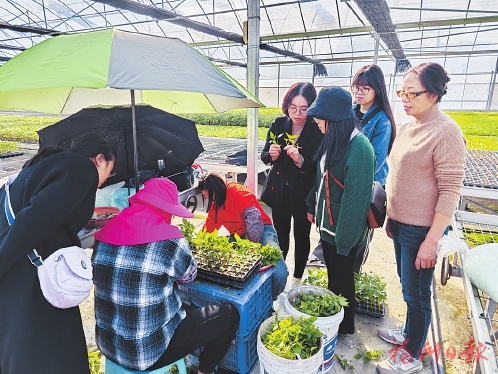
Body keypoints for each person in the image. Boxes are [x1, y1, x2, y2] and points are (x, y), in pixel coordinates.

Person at [92, 177, 239, 374]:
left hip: (108, 345)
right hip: (149, 353)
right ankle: (205, 370)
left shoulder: (104, 234)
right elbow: (189, 276)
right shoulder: (170, 240)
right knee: (229, 314)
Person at [376, 62, 466, 374]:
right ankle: (409, 333)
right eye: (401, 91)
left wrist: (431, 240)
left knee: (417, 294)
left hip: (421, 230)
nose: (404, 98)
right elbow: (400, 175)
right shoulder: (409, 126)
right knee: (407, 285)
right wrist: (391, 216)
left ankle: (412, 353)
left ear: (433, 94)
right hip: (401, 223)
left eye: (412, 93)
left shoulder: (446, 132)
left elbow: (450, 190)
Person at [0, 133, 115, 374]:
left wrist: (87, 224)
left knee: (22, 346)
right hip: (34, 277)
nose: (104, 180)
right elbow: (32, 222)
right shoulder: (82, 168)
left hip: (19, 272)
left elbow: (44, 214)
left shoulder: (46, 166)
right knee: (52, 351)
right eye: (109, 171)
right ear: (100, 159)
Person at [306, 87, 375, 335]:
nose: (315, 121)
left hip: (343, 233)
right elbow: (320, 178)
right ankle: (333, 320)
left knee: (343, 281)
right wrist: (312, 206)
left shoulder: (360, 149)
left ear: (333, 118)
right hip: (327, 228)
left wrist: (344, 242)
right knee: (333, 278)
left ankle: (344, 328)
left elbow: (355, 204)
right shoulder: (334, 140)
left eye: (319, 116)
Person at [261, 82, 323, 287]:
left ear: (311, 108)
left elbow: (318, 164)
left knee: (302, 234)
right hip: (280, 191)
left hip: (303, 193)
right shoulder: (279, 124)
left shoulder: (317, 129)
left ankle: (297, 278)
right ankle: (280, 274)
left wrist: (301, 161)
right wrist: (271, 156)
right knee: (280, 233)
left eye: (303, 109)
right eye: (293, 107)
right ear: (287, 105)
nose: (297, 113)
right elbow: (264, 155)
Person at [199, 172, 289, 300]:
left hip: (262, 230)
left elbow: (254, 218)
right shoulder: (216, 203)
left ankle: (270, 299)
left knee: (279, 272)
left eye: (208, 195)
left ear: (215, 189)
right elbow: (207, 229)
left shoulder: (235, 190)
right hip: (239, 236)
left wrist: (252, 249)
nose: (208, 199)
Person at [351, 64, 396, 273]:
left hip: (369, 183)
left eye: (364, 89)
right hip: (348, 180)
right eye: (356, 87)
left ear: (377, 90)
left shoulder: (382, 120)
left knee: (361, 233)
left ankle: (355, 274)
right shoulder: (350, 112)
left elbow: (376, 159)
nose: (359, 93)